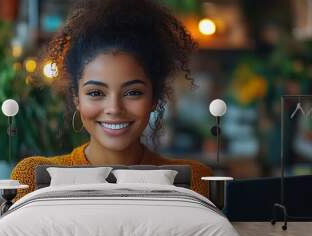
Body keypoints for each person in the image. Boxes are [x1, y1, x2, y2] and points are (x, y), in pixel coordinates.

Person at [11, 0, 213, 202]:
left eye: (133, 92)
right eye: (96, 93)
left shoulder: (193, 180)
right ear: (76, 97)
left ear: (155, 97)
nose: (114, 109)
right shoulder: (31, 179)